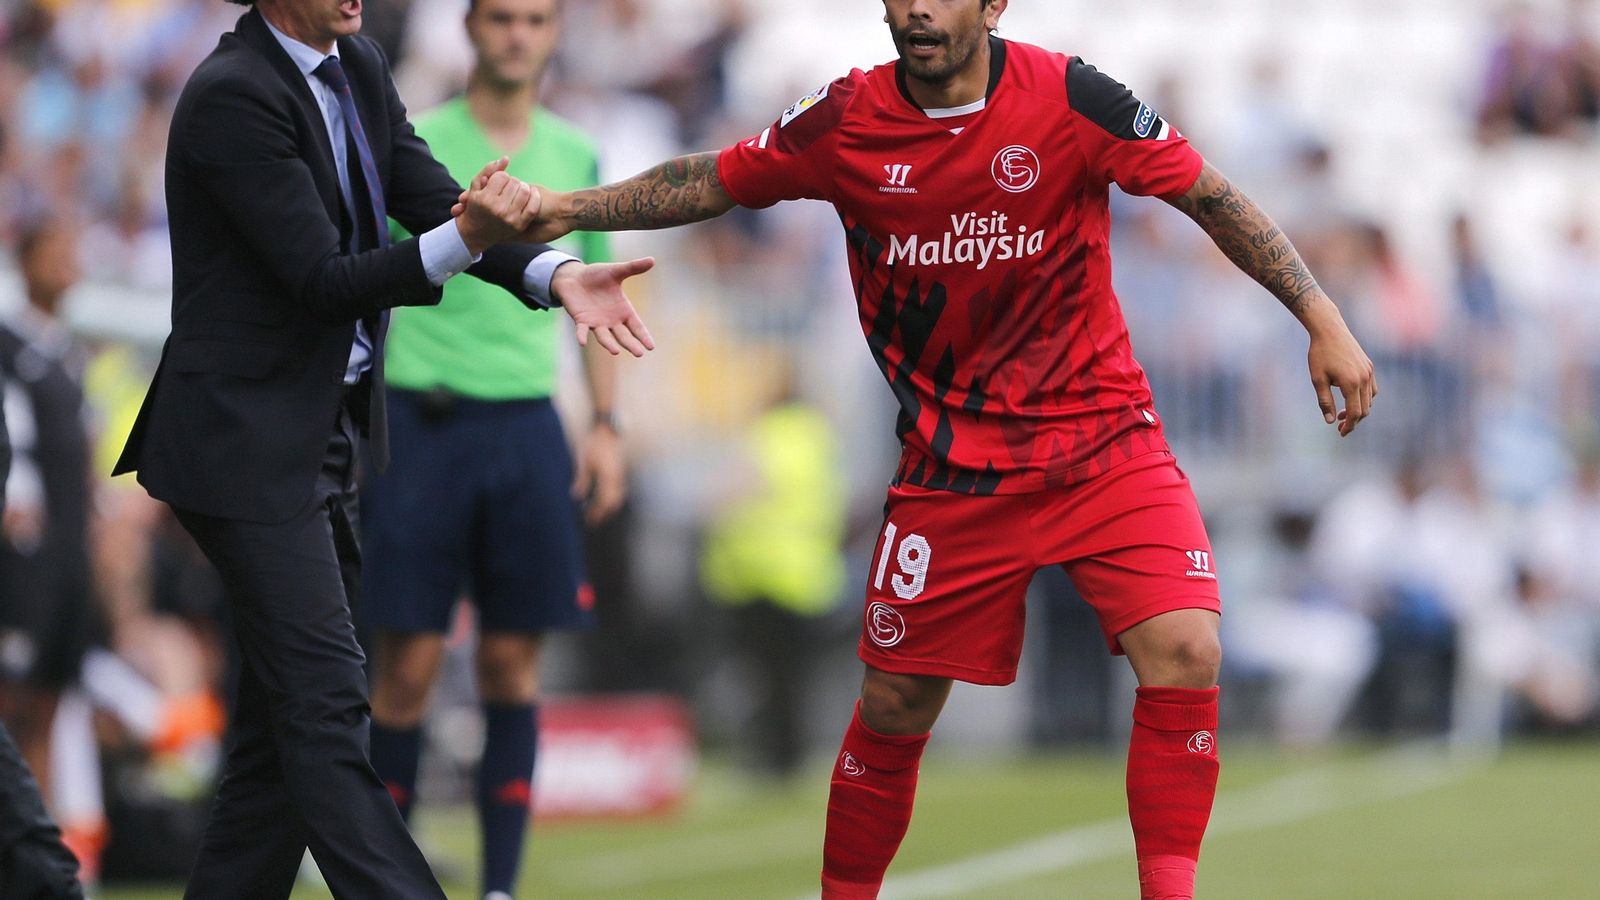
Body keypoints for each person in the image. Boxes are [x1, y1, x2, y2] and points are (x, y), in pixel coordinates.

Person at [510, 1, 1377, 897]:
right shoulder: (845, 118)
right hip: (953, 471)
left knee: (1189, 649)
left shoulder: (1073, 96)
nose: (918, 6)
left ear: (994, 3)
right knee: (891, 708)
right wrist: (564, 209)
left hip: (1103, 445)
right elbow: (713, 179)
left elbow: (1208, 194)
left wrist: (1321, 316)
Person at [108, 0, 654, 894]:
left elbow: (434, 202)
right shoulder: (231, 96)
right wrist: (466, 234)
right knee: (328, 710)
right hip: (245, 448)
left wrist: (552, 274)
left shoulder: (356, 65)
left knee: (276, 739)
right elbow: (324, 281)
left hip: (327, 440)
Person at [358, 0, 626, 897]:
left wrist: (604, 425)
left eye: (537, 19)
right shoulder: (416, 141)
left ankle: (501, 887)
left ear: (553, 35)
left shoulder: (577, 152)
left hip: (522, 425)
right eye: (502, 17)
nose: (518, 34)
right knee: (409, 667)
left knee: (513, 661)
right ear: (471, 28)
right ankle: (390, 880)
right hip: (419, 422)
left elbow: (599, 286)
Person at [0, 216, 97, 870]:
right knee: (12, 693)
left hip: (70, 546)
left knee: (51, 697)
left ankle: (33, 848)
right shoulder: (9, 348)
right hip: (23, 550)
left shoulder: (68, 350)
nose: (67, 265)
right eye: (54, 251)